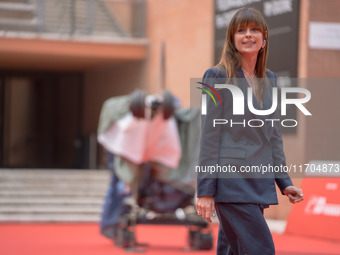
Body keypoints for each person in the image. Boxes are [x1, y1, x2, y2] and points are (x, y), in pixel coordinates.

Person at [195, 7, 304, 255]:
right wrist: (205, 191)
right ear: (232, 39)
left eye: (254, 29)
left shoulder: (270, 79)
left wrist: (284, 182)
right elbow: (210, 136)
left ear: (264, 39)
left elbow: (273, 136)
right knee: (261, 249)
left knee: (232, 250)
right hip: (231, 183)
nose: (248, 35)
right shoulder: (216, 76)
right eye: (241, 30)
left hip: (258, 181)